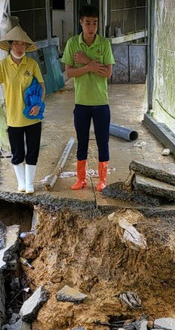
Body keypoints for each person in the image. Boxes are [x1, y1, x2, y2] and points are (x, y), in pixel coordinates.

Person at [0, 26, 45, 194]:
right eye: (16, 44)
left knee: (33, 151)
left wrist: (38, 105)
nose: (19, 48)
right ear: (10, 45)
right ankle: (21, 183)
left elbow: (41, 86)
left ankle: (30, 183)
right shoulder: (2, 65)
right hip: (13, 118)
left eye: (22, 44)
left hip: (33, 117)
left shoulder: (32, 64)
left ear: (26, 47)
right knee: (17, 152)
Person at [61, 5, 115, 191]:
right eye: (88, 23)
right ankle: (81, 179)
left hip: (101, 102)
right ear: (80, 23)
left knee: (103, 141)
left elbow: (107, 73)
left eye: (95, 23)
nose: (92, 27)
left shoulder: (104, 44)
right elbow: (69, 72)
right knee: (81, 140)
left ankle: (102, 180)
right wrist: (90, 67)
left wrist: (86, 61)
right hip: (82, 102)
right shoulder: (72, 44)